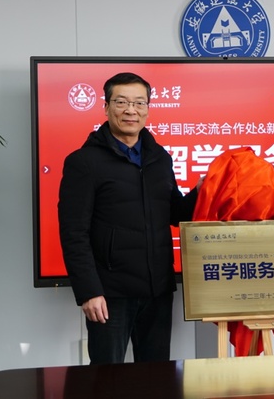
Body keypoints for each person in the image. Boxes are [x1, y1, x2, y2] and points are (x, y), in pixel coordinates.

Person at [58, 72, 199, 364]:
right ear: (106, 107)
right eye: (121, 102)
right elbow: (73, 233)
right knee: (106, 379)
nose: (130, 110)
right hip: (110, 294)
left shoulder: (159, 158)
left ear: (148, 108)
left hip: (158, 290)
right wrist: (89, 292)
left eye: (139, 103)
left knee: (156, 377)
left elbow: (174, 213)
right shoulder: (84, 162)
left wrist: (201, 191)